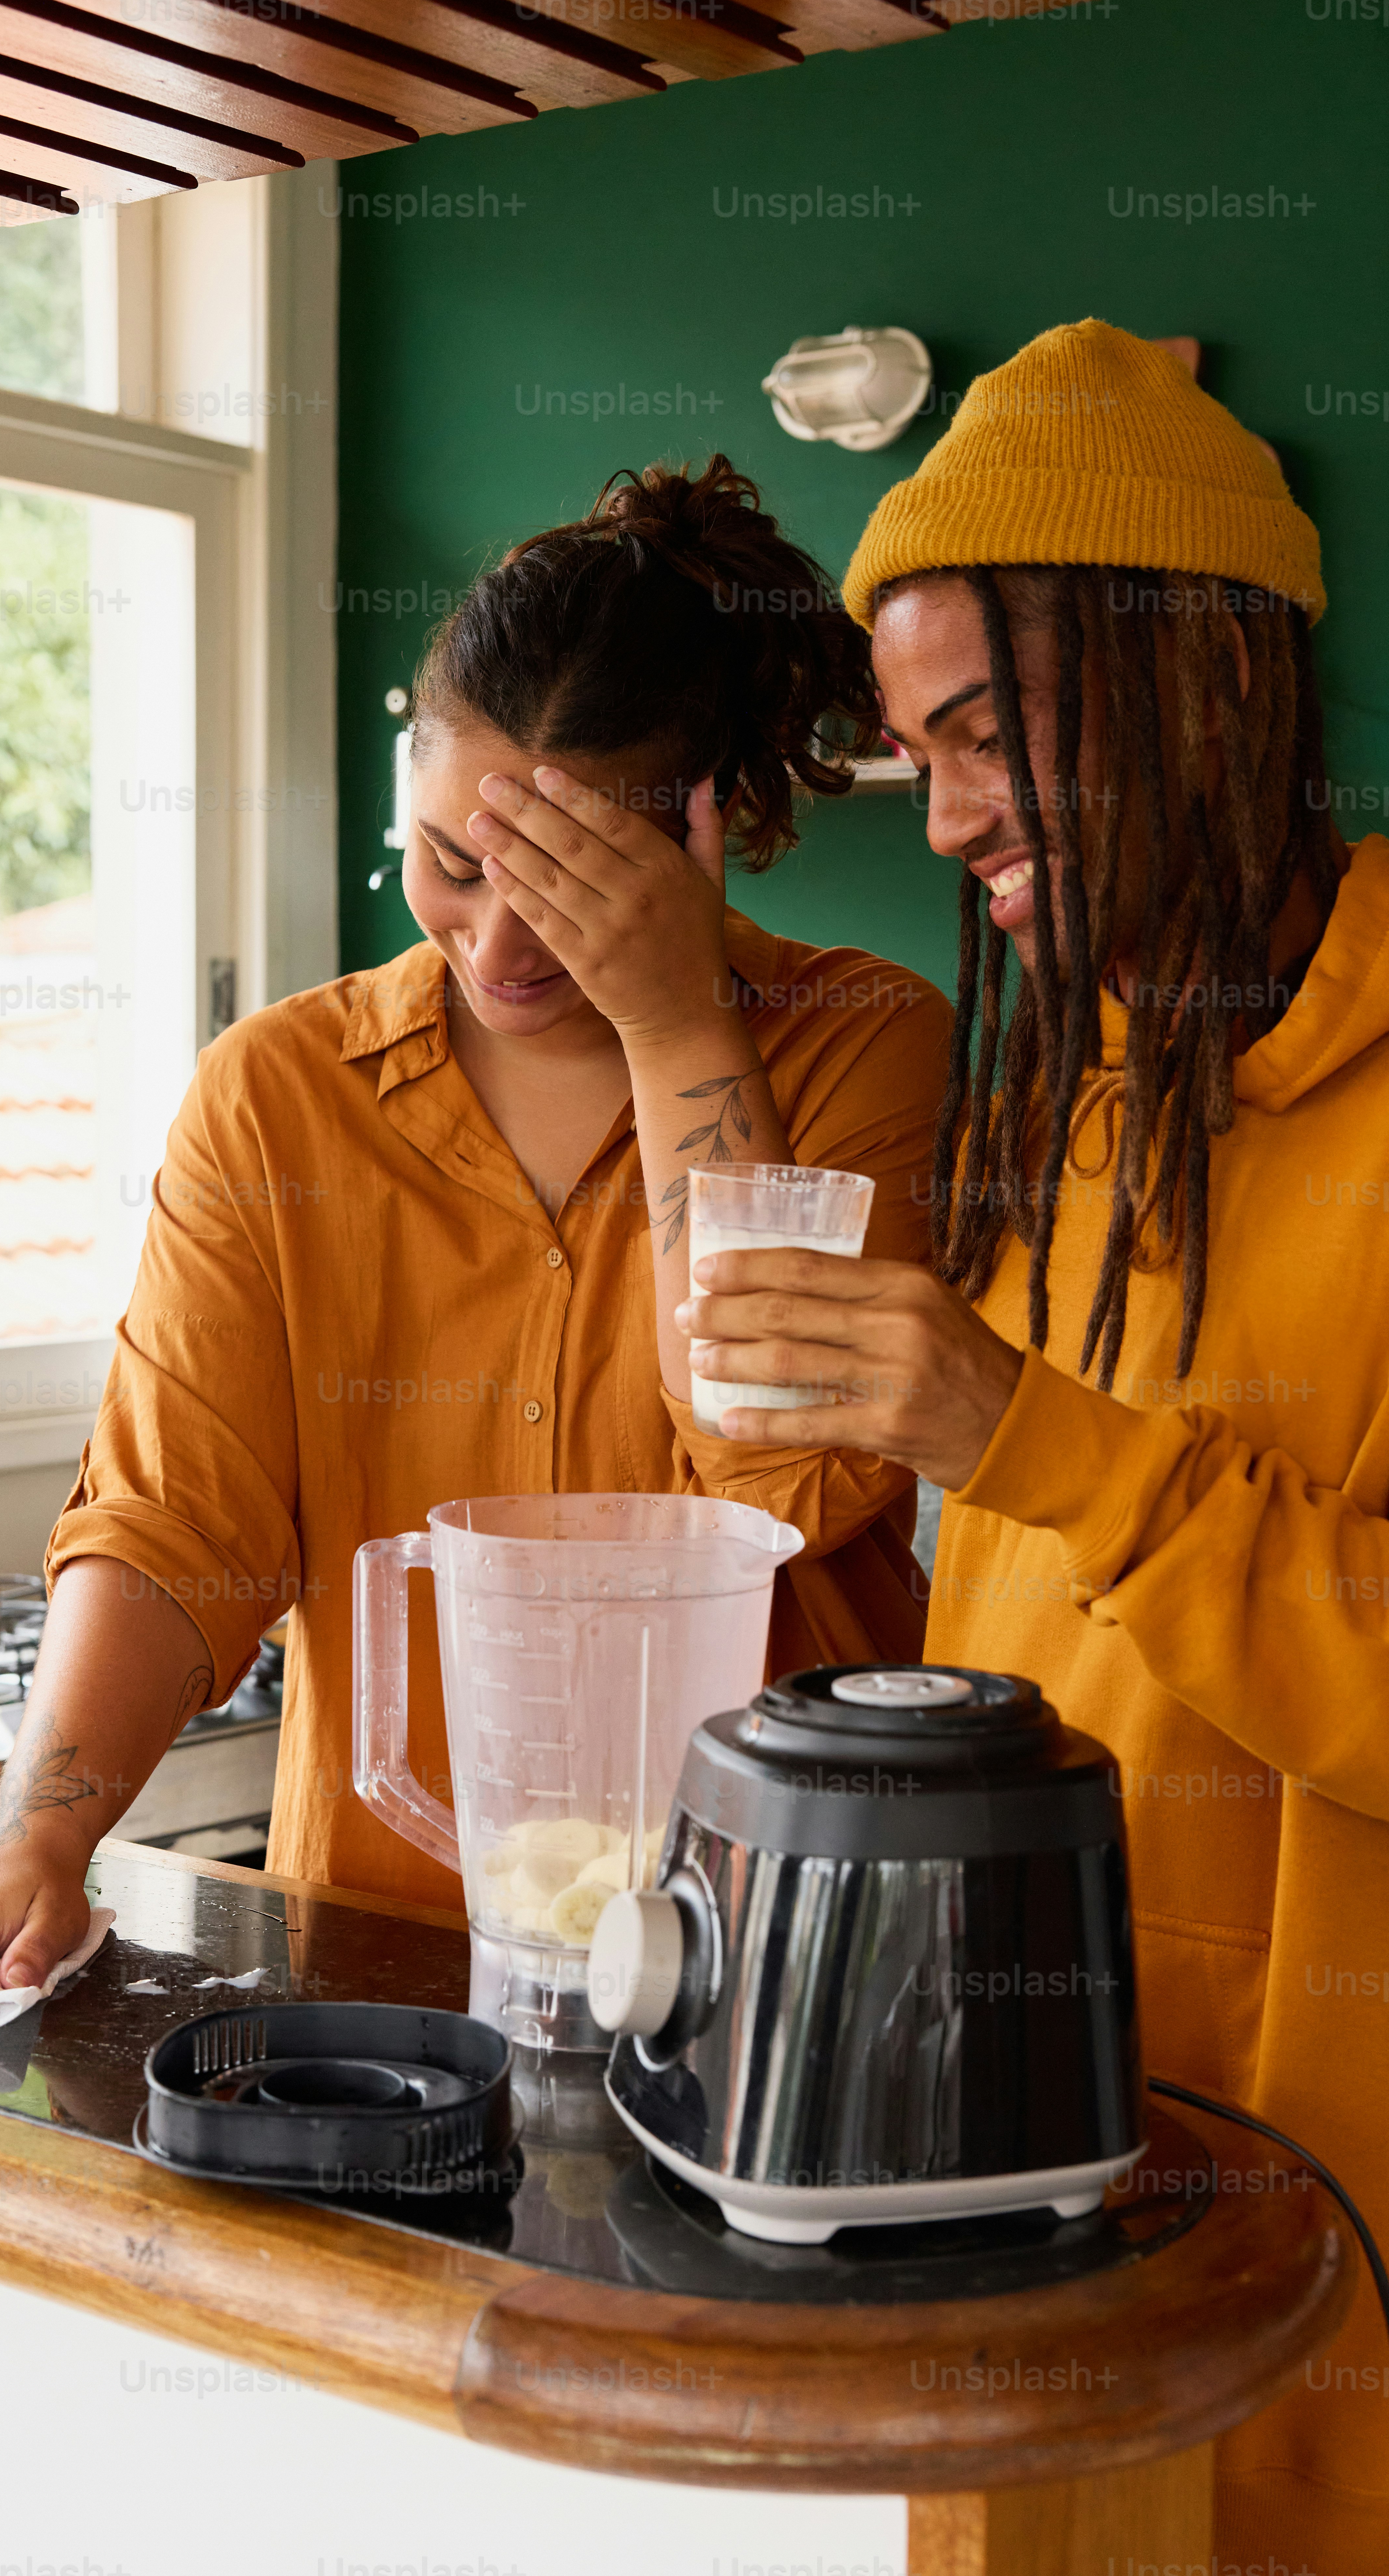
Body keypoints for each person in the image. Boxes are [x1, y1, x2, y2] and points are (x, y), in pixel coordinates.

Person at [0, 455, 952, 2022]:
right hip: (380, 1957)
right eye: (455, 863)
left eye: (576, 885)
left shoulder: (865, 1041)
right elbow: (180, 1516)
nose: (501, 944)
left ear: (706, 827)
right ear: (410, 774)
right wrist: (40, 1830)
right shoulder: (277, 1094)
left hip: (786, 1955)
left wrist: (675, 1021)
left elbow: (783, 1479)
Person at [677, 322, 1387, 2570]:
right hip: (1020, 2229)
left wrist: (1024, 1431)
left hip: (1341, 2280)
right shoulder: (1073, 1120)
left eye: (986, 727)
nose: (952, 811)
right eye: (913, 757)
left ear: (1207, 679)